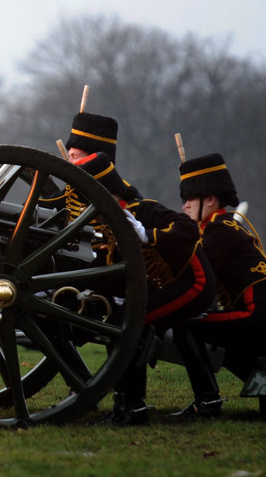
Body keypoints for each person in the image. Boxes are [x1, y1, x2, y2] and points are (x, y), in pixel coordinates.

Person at [75, 152, 218, 426]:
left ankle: (133, 407)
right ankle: (126, 404)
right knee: (119, 320)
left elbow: (188, 228)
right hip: (169, 286)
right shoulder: (109, 222)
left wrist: (146, 234)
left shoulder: (143, 209)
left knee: (129, 323)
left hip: (193, 283)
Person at [175, 153, 266, 406]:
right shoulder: (221, 229)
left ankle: (207, 401)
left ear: (210, 199)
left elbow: (190, 278)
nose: (185, 206)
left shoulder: (219, 232)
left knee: (184, 325)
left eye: (190, 198)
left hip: (264, 318)